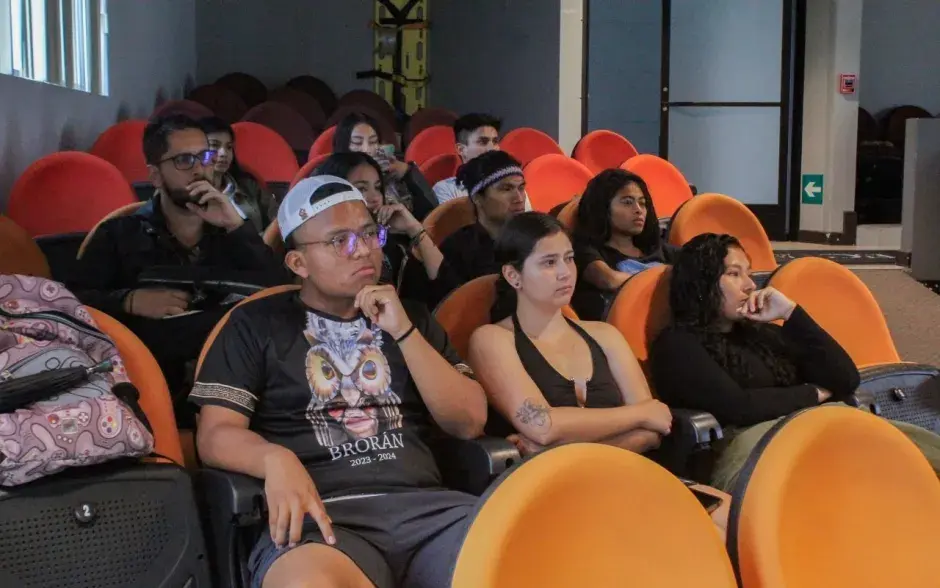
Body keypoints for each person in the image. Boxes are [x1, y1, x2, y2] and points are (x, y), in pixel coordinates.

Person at [190, 174, 488, 588]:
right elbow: (215, 434)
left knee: (530, 553)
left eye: (368, 234)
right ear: (299, 264)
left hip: (429, 512)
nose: (362, 250)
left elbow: (469, 422)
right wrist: (275, 459)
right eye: (339, 241)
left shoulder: (413, 318)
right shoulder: (255, 324)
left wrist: (402, 331)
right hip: (321, 517)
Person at [468, 212, 729, 537]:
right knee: (698, 537)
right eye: (549, 262)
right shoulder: (493, 339)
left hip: (628, 477)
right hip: (556, 495)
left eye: (569, 259)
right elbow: (543, 425)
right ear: (513, 275)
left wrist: (555, 451)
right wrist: (637, 416)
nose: (565, 272)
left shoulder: (604, 335)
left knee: (736, 520)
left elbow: (655, 429)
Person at [650, 233, 940, 490]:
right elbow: (738, 406)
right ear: (701, 284)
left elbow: (845, 378)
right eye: (734, 274)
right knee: (886, 476)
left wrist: (791, 313)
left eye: (749, 273)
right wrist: (812, 393)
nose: (750, 285)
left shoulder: (759, 334)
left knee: (918, 453)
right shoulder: (678, 344)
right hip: (761, 449)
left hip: (817, 429)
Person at [69, 114, 284, 425]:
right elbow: (71, 302)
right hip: (150, 387)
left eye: (205, 156)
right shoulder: (119, 234)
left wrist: (236, 225)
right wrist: (128, 300)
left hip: (237, 385)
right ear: (155, 175)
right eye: (184, 160)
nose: (200, 169)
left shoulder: (232, 233)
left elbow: (278, 292)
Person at [314, 152, 445, 290]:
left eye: (377, 187)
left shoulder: (388, 243)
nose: (375, 197)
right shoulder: (326, 252)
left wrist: (414, 229)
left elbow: (445, 290)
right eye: (361, 189)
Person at [425, 150, 528, 308]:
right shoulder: (457, 249)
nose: (519, 198)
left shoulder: (535, 237)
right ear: (477, 198)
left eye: (521, 188)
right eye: (506, 189)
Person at [571, 169, 677, 320]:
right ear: (603, 207)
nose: (639, 210)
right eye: (627, 202)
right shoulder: (585, 250)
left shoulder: (658, 248)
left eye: (642, 203)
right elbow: (609, 280)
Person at [333, 112, 436, 221]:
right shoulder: (333, 178)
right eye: (357, 143)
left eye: (373, 142)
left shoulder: (390, 172)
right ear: (343, 145)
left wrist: (407, 172)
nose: (366, 149)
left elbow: (432, 215)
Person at [199, 116, 278, 233]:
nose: (223, 153)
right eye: (214, 145)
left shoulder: (248, 186)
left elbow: (278, 219)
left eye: (229, 147)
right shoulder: (191, 194)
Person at [432, 113, 501, 204]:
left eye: (495, 142)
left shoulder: (512, 185)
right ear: (461, 150)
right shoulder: (446, 189)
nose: (492, 148)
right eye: (483, 142)